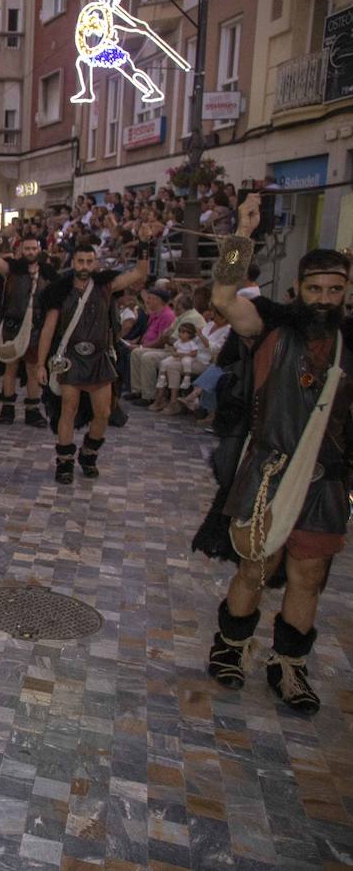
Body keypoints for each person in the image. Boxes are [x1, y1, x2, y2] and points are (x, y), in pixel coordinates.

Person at [198, 195, 352, 714]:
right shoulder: (270, 328)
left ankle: (289, 667)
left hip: (327, 481)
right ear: (298, 290)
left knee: (311, 576)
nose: (325, 298)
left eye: (335, 289)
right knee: (255, 570)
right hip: (269, 473)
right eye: (316, 289)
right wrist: (242, 233)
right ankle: (230, 647)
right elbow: (223, 296)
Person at [35, 239, 148, 484]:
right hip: (69, 359)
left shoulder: (106, 286)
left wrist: (145, 243)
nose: (84, 266)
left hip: (99, 357)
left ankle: (88, 455)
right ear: (73, 262)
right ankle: (64, 462)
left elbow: (140, 272)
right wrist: (40, 364)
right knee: (68, 408)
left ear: (95, 263)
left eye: (89, 261)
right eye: (80, 261)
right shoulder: (59, 291)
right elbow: (48, 329)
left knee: (103, 412)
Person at [0, 237, 54, 426]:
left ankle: (32, 410)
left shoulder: (47, 273)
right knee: (11, 367)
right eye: (27, 249)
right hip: (12, 325)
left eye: (34, 248)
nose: (31, 252)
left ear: (39, 250)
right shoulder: (13, 269)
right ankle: (7, 407)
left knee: (33, 369)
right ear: (21, 250)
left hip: (36, 327)